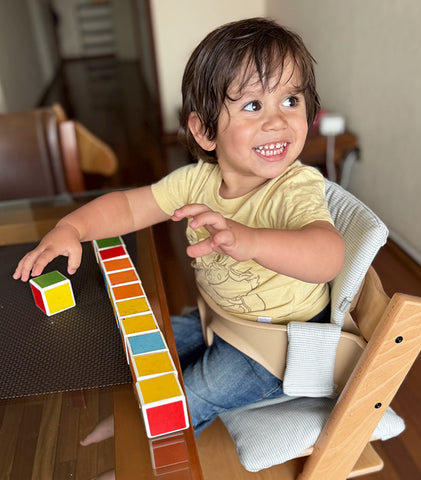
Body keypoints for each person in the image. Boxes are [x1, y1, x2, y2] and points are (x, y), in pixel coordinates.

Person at [14, 17, 345, 438]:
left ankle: (141, 446)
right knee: (143, 344)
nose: (278, 121)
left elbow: (327, 257)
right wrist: (72, 227)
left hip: (276, 351)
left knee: (184, 399)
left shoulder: (296, 186)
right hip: (220, 320)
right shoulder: (196, 182)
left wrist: (252, 241)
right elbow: (128, 207)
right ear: (205, 131)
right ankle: (129, 424)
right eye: (252, 105)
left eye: (291, 100)